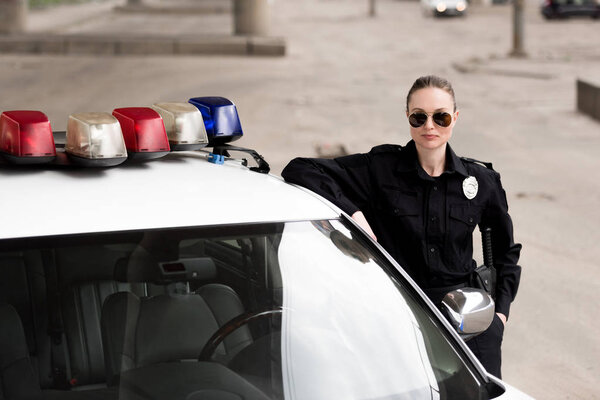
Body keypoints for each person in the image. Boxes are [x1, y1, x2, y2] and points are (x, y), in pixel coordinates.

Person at [281, 75, 522, 378]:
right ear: (407, 117)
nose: (429, 126)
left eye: (441, 117)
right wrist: (354, 213)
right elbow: (301, 168)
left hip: (467, 322)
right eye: (419, 117)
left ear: (455, 118)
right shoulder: (381, 169)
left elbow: (505, 253)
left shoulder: (480, 180)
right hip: (400, 313)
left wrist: (500, 316)